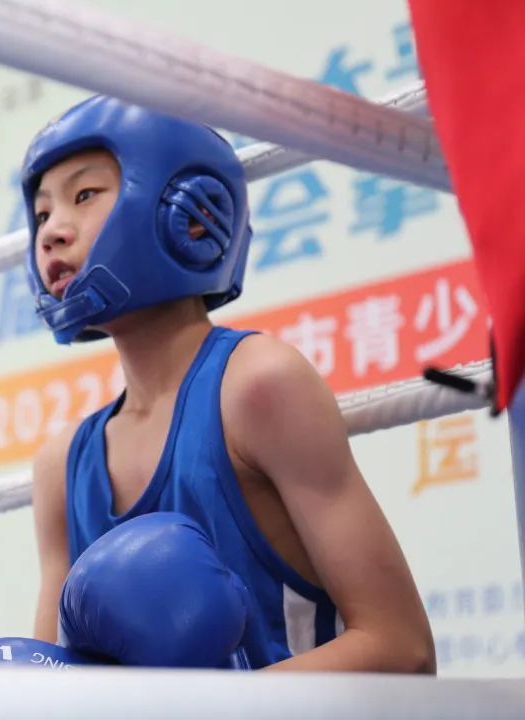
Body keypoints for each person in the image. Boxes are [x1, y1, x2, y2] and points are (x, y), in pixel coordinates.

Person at [23, 96, 435, 672]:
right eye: (42, 213)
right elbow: (56, 687)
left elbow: (402, 647)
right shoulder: (61, 464)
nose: (50, 233)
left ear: (189, 213)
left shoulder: (259, 385)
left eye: (84, 195)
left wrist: (193, 710)